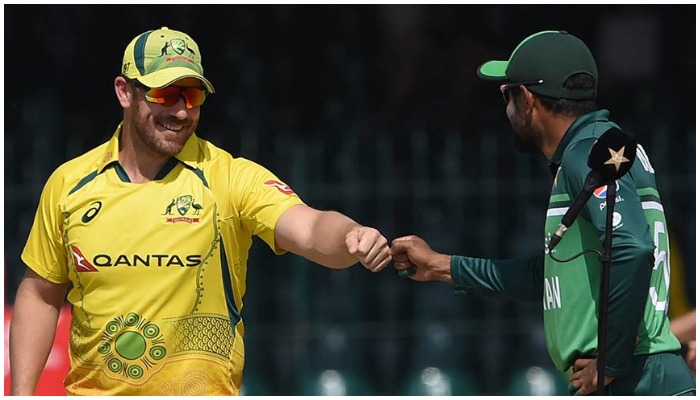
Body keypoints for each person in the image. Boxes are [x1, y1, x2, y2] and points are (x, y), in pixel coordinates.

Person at [9, 27, 392, 396]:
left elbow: (309, 227)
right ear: (125, 92)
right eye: (165, 93)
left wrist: (350, 236)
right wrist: (21, 395)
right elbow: (41, 293)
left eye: (191, 96)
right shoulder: (69, 183)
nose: (180, 112)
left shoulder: (228, 177)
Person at [391, 30, 695, 396]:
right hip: (638, 376)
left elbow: (633, 247)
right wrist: (443, 266)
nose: (506, 106)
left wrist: (610, 363)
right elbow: (548, 275)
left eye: (507, 93)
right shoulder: (600, 148)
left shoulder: (588, 151)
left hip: (632, 380)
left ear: (528, 99)